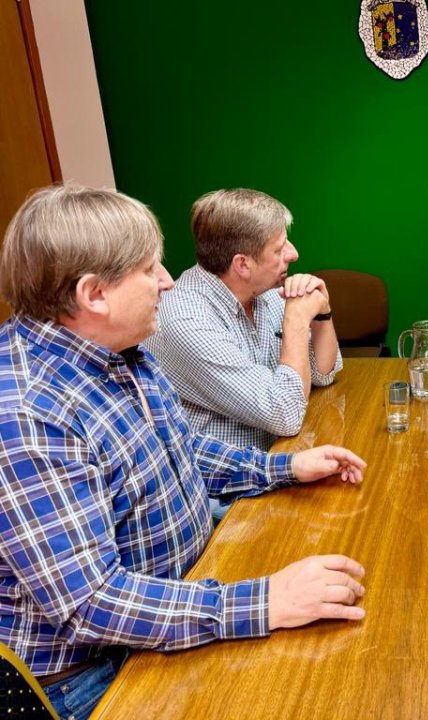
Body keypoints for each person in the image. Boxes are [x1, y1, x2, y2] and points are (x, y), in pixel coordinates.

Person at [0, 186, 366, 720]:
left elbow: (180, 448)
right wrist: (265, 601)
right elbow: (92, 604)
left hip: (183, 595)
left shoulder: (120, 352)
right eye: (150, 269)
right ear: (94, 294)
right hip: (99, 670)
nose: (168, 281)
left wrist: (283, 467)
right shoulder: (26, 414)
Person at [145, 188, 342, 452]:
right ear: (243, 265)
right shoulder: (186, 319)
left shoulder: (264, 291)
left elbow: (322, 374)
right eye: (279, 248)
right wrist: (296, 323)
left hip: (277, 453)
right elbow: (284, 414)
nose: (293, 254)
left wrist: (322, 314)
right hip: (228, 473)